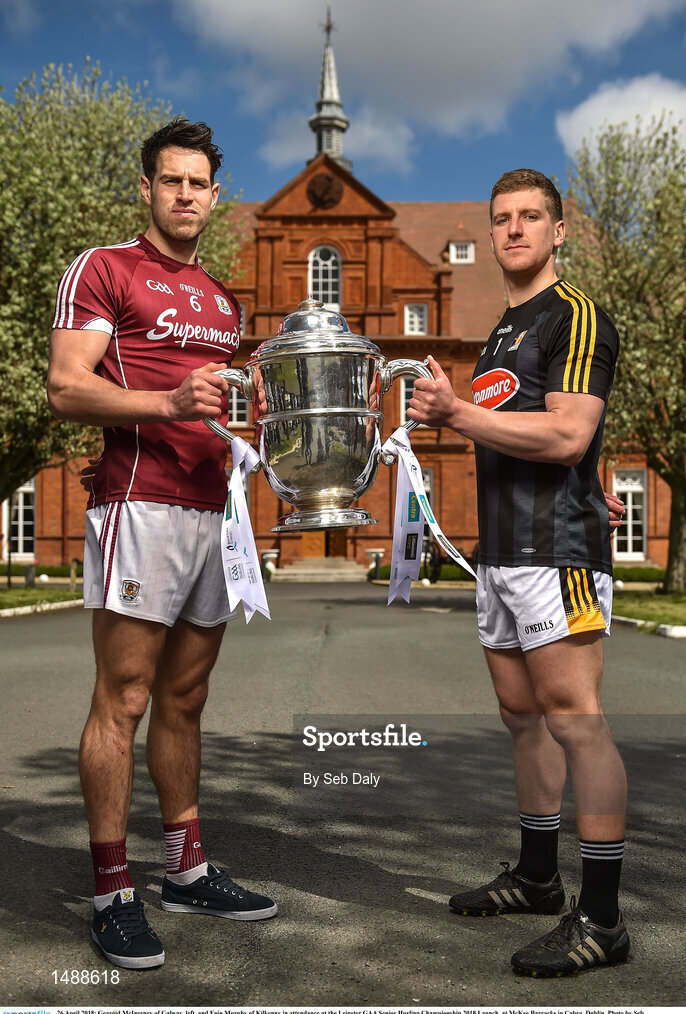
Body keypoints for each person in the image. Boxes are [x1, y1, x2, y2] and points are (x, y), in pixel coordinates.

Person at [47, 118, 277, 971]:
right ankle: (113, 890)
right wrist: (171, 405)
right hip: (138, 505)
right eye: (170, 180)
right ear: (146, 188)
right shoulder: (105, 268)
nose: (186, 194)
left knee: (186, 698)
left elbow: (217, 406)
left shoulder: (222, 299)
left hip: (211, 512)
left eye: (199, 183)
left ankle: (185, 866)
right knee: (126, 698)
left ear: (217, 196)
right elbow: (68, 389)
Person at [408, 168, 629, 978]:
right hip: (500, 552)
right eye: (501, 218)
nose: (513, 230)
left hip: (556, 551)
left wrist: (457, 413)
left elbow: (569, 436)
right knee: (520, 715)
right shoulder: (504, 328)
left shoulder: (574, 314)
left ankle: (601, 920)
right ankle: (539, 878)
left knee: (576, 718)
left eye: (531, 216)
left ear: (559, 230)